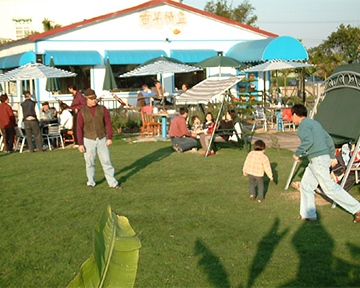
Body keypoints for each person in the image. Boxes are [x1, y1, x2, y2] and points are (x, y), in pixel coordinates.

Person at [291, 104, 360, 223]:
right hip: (319, 160)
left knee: (329, 188)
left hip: (317, 160)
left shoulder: (303, 125)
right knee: (306, 185)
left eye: (292, 116)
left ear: (295, 115)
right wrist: (332, 156)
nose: (292, 119)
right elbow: (328, 139)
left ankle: (357, 208)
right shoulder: (315, 123)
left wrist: (297, 153)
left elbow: (308, 141)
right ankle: (308, 214)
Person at [77, 88, 122, 189]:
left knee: (106, 161)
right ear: (86, 99)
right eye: (91, 98)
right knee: (90, 162)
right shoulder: (82, 112)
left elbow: (108, 123)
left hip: (102, 138)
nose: (94, 100)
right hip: (88, 139)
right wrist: (80, 143)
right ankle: (91, 182)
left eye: (95, 98)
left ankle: (113, 183)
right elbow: (79, 128)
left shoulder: (103, 109)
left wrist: (109, 137)